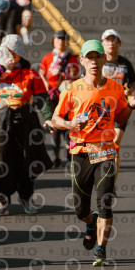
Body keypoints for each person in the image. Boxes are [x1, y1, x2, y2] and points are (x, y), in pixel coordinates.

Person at [51, 40, 135, 266]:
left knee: (105, 201)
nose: (94, 61)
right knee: (80, 209)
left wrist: (132, 105)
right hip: (81, 151)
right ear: (82, 61)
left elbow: (120, 117)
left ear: (104, 59)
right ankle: (90, 222)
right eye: (89, 57)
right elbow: (56, 119)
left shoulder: (115, 88)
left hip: (105, 150)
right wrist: (70, 124)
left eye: (98, 57)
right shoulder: (72, 89)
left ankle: (101, 249)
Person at [0, 34, 54, 216]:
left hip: (25, 122)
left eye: (14, 52)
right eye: (7, 51)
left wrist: (49, 118)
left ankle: (26, 196)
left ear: (21, 54)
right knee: (1, 161)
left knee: (26, 160)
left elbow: (42, 98)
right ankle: (1, 200)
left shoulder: (30, 74)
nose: (11, 56)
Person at [38, 30, 80, 167]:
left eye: (63, 40)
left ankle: (69, 155)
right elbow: (41, 73)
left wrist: (70, 80)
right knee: (55, 125)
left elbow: (77, 77)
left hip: (67, 97)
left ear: (66, 42)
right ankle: (56, 155)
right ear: (53, 41)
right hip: (53, 96)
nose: (60, 42)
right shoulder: (47, 58)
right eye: (57, 39)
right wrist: (45, 85)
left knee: (68, 126)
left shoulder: (72, 59)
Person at [100, 29, 135, 184]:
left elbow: (133, 84)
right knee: (101, 146)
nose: (111, 44)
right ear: (102, 43)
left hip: (120, 109)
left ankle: (111, 184)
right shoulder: (98, 62)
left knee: (114, 144)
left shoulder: (125, 64)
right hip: (101, 110)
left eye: (114, 40)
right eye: (108, 40)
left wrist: (130, 90)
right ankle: (100, 177)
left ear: (119, 44)